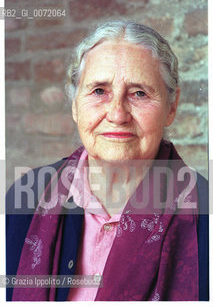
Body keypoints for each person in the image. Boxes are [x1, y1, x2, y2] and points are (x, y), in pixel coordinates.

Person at [6, 20, 209, 301]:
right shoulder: (26, 195)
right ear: (75, 104)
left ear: (171, 107)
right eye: (99, 91)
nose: (117, 114)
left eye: (139, 93)